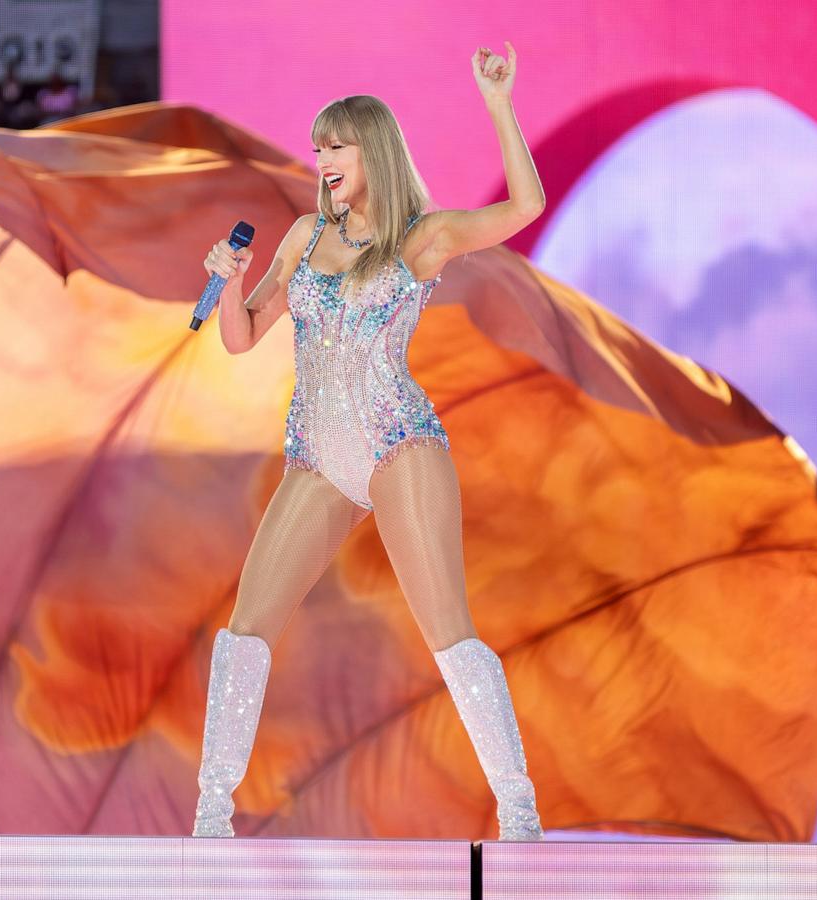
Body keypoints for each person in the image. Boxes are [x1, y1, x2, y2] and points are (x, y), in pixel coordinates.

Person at [191, 43, 547, 841]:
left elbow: (523, 207)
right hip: (318, 455)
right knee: (245, 628)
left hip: (397, 441)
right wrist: (229, 278)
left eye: (335, 146)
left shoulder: (422, 238)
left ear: (371, 150)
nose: (320, 160)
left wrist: (499, 104)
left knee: (446, 626)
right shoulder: (301, 236)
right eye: (315, 147)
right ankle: (212, 816)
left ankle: (518, 811)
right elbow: (243, 337)